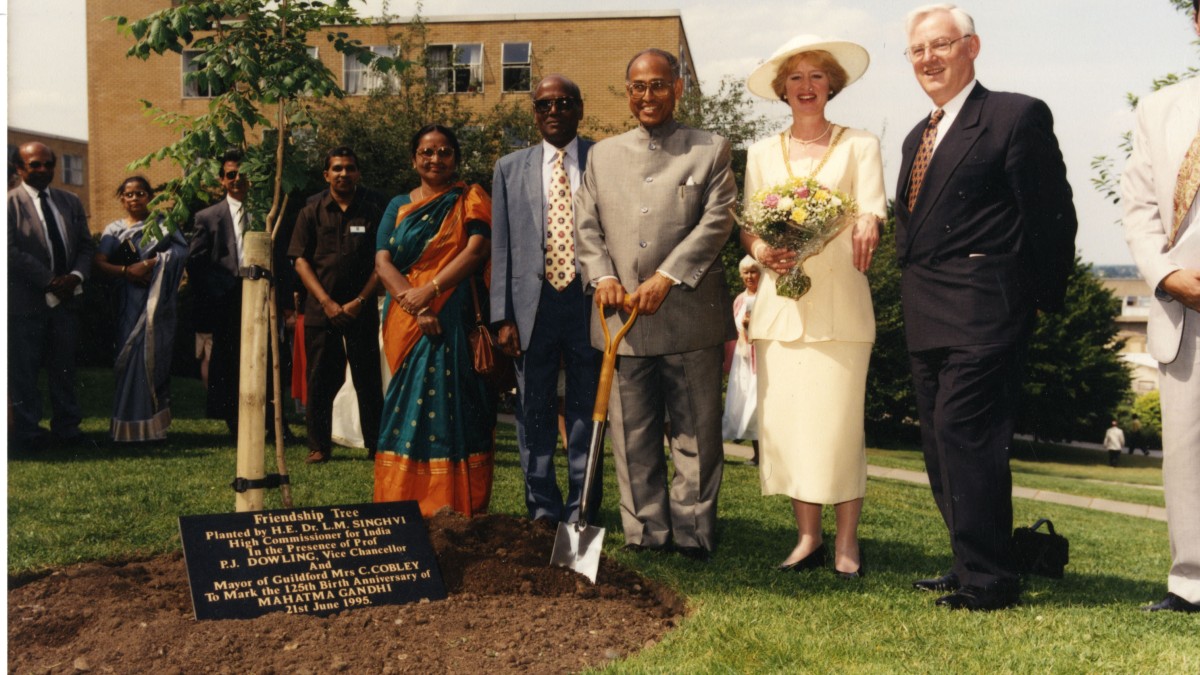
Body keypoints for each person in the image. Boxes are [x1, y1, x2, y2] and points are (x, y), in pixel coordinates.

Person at [897, 4, 1077, 610]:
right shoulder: (915, 135)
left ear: (972, 47)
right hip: (926, 315)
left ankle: (991, 580)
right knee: (940, 444)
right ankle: (970, 558)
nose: (928, 59)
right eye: (917, 50)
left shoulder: (1014, 115)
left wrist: (1032, 300)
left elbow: (1052, 214)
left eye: (941, 45)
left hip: (986, 314)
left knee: (965, 433)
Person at [575, 49, 738, 562]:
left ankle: (693, 533)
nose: (649, 96)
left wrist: (667, 276)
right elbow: (586, 226)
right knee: (632, 435)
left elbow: (717, 222)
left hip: (689, 317)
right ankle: (646, 532)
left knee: (695, 434)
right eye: (639, 86)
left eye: (659, 85)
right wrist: (600, 275)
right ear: (627, 92)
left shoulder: (710, 150)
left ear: (678, 87)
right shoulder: (602, 154)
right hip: (621, 320)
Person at [740, 35, 885, 578]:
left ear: (833, 85)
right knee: (793, 428)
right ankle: (807, 538)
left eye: (817, 77)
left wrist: (869, 220)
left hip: (841, 308)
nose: (806, 86)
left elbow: (871, 207)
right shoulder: (759, 153)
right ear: (782, 89)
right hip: (781, 311)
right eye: (796, 78)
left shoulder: (860, 145)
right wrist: (760, 249)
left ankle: (847, 542)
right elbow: (751, 227)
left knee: (839, 428)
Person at [491, 75, 603, 525]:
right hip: (531, 309)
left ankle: (581, 510)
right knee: (533, 412)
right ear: (534, 114)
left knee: (585, 411)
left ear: (579, 108)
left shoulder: (603, 158)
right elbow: (501, 248)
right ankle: (542, 509)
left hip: (588, 301)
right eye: (543, 105)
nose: (553, 111)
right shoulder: (509, 167)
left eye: (563, 102)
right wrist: (502, 316)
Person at [1121, 0, 1200, 614]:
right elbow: (1140, 209)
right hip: (1184, 307)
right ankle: (1191, 584)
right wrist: (1168, 275)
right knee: (1189, 454)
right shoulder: (1161, 107)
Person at [374, 124, 495, 517]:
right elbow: (382, 261)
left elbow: (477, 250)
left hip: (453, 316)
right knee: (403, 407)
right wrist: (417, 305)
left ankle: (455, 506)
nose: (435, 159)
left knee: (455, 407)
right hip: (406, 320)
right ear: (414, 159)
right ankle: (402, 503)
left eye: (444, 152)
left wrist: (433, 290)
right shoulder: (398, 205)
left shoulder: (469, 198)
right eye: (427, 152)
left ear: (455, 158)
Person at [289, 146, 384, 465]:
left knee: (368, 380)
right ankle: (318, 446)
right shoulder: (310, 211)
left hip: (361, 310)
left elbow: (382, 262)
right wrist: (327, 303)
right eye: (338, 168)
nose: (344, 174)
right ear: (326, 174)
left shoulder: (372, 210)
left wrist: (359, 301)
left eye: (350, 168)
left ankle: (376, 444)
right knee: (320, 381)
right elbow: (301, 261)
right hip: (321, 312)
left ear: (358, 173)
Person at [188, 148, 290, 440]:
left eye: (243, 174)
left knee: (269, 358)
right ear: (222, 180)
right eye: (231, 175)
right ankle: (236, 424)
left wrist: (281, 300)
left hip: (262, 296)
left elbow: (280, 259)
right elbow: (196, 264)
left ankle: (273, 423)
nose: (237, 180)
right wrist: (214, 295)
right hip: (227, 300)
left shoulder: (266, 214)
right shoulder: (207, 217)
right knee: (230, 362)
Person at [7, 141, 96, 449]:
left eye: (48, 164)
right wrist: (48, 280)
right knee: (24, 372)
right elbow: (10, 251)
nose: (43, 170)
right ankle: (28, 433)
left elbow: (86, 245)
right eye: (35, 165)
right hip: (25, 303)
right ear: (20, 168)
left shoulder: (69, 201)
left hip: (66, 301)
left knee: (64, 369)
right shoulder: (9, 204)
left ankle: (68, 429)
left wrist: (75, 277)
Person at [92, 177, 189, 442]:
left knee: (154, 358)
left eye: (140, 193)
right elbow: (100, 263)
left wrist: (152, 264)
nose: (134, 199)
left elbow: (181, 252)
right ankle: (128, 426)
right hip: (128, 301)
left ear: (150, 197)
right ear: (122, 199)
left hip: (157, 303)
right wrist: (127, 271)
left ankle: (153, 427)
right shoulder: (114, 229)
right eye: (129, 194)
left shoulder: (163, 225)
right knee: (130, 356)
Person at [721, 256, 762, 466]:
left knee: (757, 406)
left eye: (753, 271)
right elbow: (732, 332)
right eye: (745, 272)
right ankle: (757, 455)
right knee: (744, 403)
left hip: (761, 362)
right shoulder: (739, 300)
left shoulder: (767, 298)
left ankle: (764, 456)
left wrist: (752, 325)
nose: (749, 276)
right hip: (742, 360)